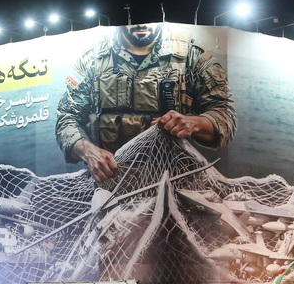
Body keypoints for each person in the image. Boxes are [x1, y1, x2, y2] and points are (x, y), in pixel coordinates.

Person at [55, 22, 236, 183]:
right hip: (111, 183)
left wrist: (194, 123)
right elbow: (67, 117)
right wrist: (88, 151)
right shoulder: (91, 59)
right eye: (133, 20)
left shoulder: (191, 53)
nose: (141, 26)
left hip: (176, 180)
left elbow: (224, 114)